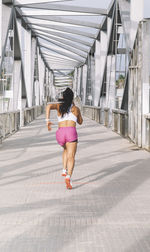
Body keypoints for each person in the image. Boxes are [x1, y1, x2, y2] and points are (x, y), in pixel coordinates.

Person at [46, 88, 83, 189]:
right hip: (71, 132)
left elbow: (48, 106)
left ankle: (63, 169)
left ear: (63, 97)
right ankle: (68, 177)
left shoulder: (59, 106)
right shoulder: (76, 109)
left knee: (65, 149)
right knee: (71, 156)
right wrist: (75, 108)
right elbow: (80, 122)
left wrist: (47, 120)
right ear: (72, 97)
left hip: (60, 133)